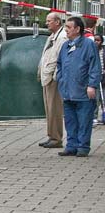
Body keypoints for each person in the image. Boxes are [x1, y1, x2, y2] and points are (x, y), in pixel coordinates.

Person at [56, 16, 102, 157]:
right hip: (68, 91)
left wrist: (92, 85)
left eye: (69, 28)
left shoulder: (89, 45)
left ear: (77, 29)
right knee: (70, 121)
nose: (66, 30)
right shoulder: (65, 46)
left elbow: (95, 67)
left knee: (84, 121)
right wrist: (61, 80)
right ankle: (71, 146)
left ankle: (83, 147)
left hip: (83, 91)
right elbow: (60, 65)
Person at [37, 12, 67, 148]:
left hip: (52, 78)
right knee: (49, 108)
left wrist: (55, 77)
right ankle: (51, 135)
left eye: (49, 21)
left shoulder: (61, 37)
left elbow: (59, 59)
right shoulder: (52, 36)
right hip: (47, 76)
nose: (47, 23)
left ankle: (56, 138)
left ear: (57, 22)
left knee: (54, 108)